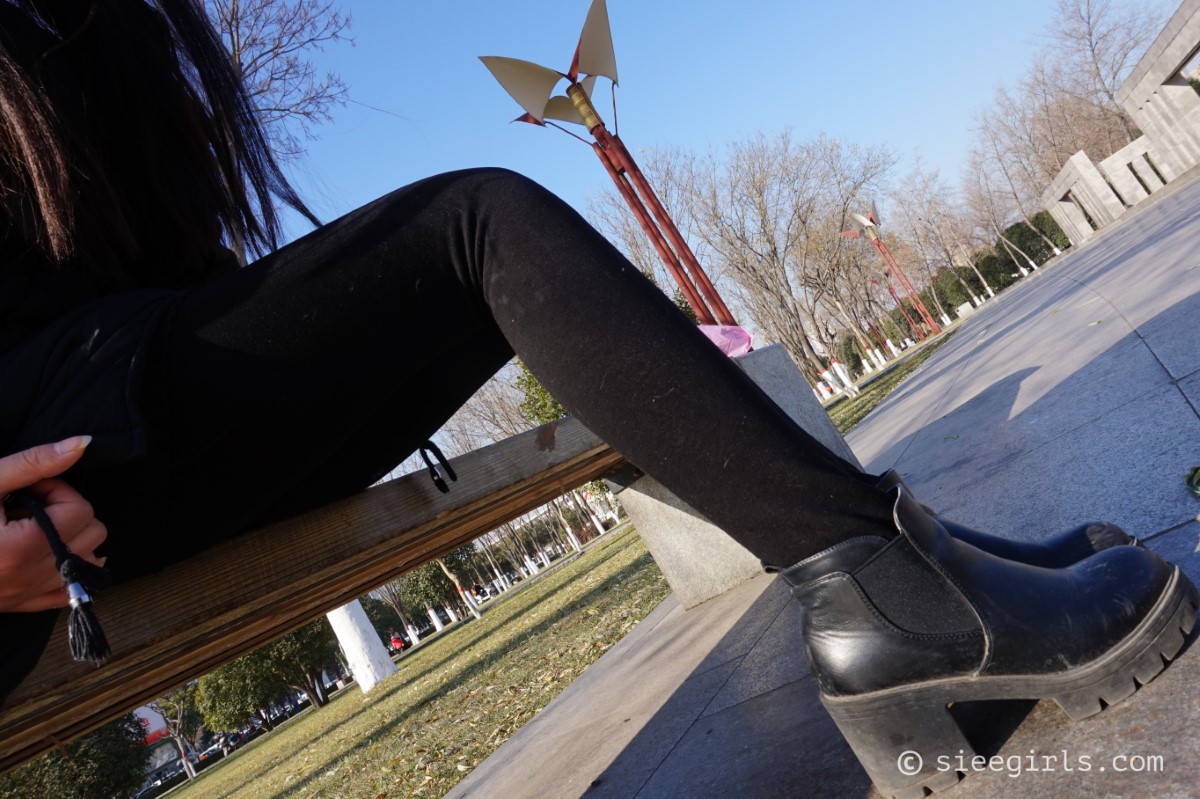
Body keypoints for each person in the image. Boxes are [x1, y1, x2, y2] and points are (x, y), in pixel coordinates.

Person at [0, 2, 1193, 796]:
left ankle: (888, 554)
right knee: (477, 226)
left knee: (475, 258)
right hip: (43, 470)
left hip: (109, 409)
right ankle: (880, 590)